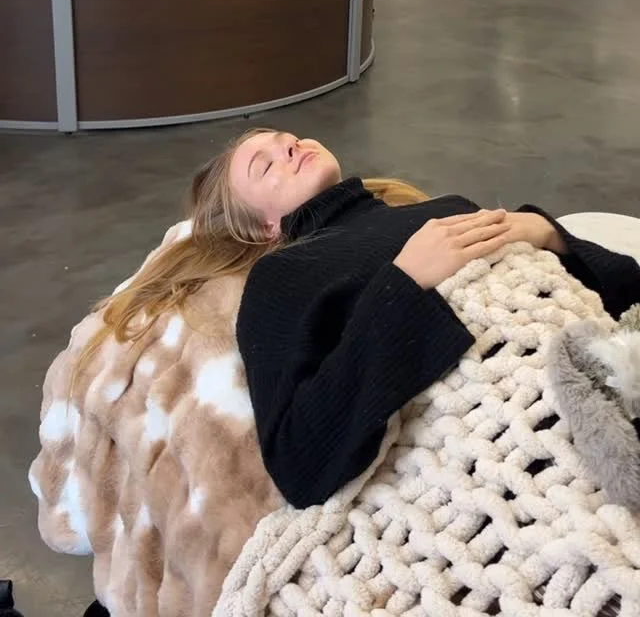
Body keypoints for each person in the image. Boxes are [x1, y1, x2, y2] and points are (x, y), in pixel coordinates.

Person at [30, 127, 640, 617]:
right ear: (261, 226)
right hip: (515, 435)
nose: (288, 148)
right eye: (264, 165)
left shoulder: (446, 209)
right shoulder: (284, 275)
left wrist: (546, 232)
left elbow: (623, 289)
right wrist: (405, 284)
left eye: (286, 139)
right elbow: (301, 459)